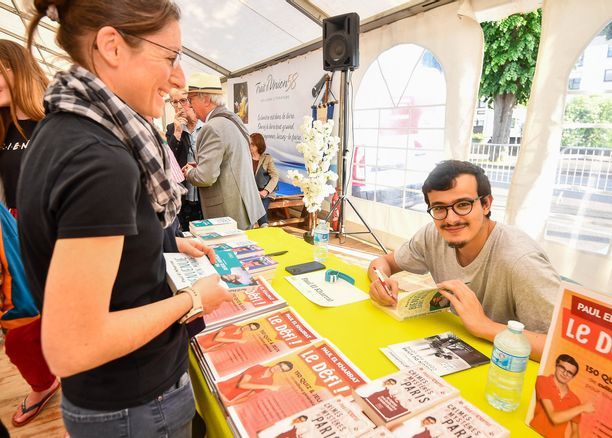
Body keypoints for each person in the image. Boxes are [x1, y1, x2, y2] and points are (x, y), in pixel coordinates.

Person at [20, 1, 232, 437]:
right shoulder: (102, 159)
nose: (179, 80)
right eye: (170, 56)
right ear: (113, 46)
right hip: (135, 404)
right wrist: (192, 300)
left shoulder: (66, 128)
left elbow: (94, 256)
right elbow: (72, 346)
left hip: (107, 399)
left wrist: (164, 244)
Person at [368, 160, 560, 361]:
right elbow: (383, 263)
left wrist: (485, 326)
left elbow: (565, 350)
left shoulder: (521, 261)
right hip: (454, 349)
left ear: (486, 204)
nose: (450, 219)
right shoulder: (432, 235)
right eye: (440, 208)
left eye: (463, 205)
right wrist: (379, 282)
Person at [0, 39, 61, 428]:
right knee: (22, 329)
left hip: (56, 234)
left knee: (63, 317)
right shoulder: (2, 125)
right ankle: (44, 382)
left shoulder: (52, 118)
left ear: (16, 68)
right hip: (16, 240)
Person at [182, 72, 264, 230]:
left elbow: (205, 177)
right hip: (244, 207)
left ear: (206, 99)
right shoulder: (232, 120)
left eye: (191, 100)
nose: (189, 105)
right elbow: (229, 161)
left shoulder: (212, 127)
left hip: (229, 212)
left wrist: (190, 172)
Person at [0, 40, 48, 217]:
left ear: (19, 70)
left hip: (47, 228)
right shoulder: (4, 130)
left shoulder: (53, 125)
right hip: (11, 234)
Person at [530, 354, 594, 437]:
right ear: (556, 365)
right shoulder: (542, 381)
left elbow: (575, 431)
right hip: (533, 433)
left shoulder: (575, 400)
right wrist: (582, 407)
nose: (565, 373)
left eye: (570, 373)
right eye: (562, 368)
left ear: (573, 377)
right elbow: (554, 418)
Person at [165, 87, 203, 230]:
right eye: (174, 102)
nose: (179, 106)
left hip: (205, 191)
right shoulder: (171, 128)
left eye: (183, 100)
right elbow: (169, 161)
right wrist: (177, 133)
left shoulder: (206, 125)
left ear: (191, 100)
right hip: (184, 194)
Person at [218, 361, 294, 406]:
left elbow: (248, 397)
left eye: (281, 369)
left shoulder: (270, 382)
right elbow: (242, 384)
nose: (278, 368)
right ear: (277, 363)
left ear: (282, 372)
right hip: (219, 388)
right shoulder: (258, 367)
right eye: (280, 366)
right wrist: (267, 387)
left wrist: (230, 404)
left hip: (226, 399)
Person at [250, 132, 279, 227]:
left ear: (258, 145)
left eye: (252, 144)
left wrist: (265, 191)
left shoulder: (267, 158)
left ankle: (264, 228)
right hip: (251, 192)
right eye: (249, 144)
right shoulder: (246, 157)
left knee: (261, 208)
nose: (250, 146)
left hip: (265, 192)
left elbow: (275, 176)